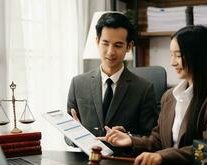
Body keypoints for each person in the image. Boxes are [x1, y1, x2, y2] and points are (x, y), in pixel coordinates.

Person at [99, 25, 207, 165]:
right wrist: (130, 140)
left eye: (178, 55)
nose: (172, 62)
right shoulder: (169, 97)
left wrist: (162, 156)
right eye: (172, 55)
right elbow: (157, 140)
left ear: (198, 56)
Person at [67, 12, 158, 154]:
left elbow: (152, 138)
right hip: (87, 164)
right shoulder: (78, 83)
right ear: (97, 41)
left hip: (124, 164)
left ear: (129, 46)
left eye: (118, 45)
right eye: (105, 43)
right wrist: (74, 134)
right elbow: (66, 135)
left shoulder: (144, 88)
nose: (110, 52)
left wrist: (128, 136)